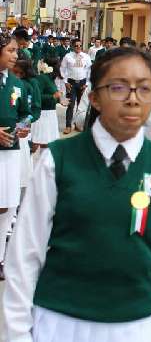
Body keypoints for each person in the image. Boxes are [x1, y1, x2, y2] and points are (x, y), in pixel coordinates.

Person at [3, 46, 151, 341]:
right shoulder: (59, 159)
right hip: (60, 320)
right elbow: (26, 251)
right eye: (118, 87)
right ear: (94, 98)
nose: (132, 98)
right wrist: (18, 332)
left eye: (144, 89)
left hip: (136, 323)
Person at [0, 36, 31, 280]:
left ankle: (0, 257)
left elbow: (25, 113)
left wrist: (23, 126)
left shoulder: (16, 84)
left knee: (6, 208)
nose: (15, 56)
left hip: (10, 153)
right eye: (10, 50)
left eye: (16, 51)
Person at [12, 54, 41, 195]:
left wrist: (21, 125)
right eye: (14, 72)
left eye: (20, 73)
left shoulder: (31, 84)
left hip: (21, 129)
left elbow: (35, 110)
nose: (17, 76)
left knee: (21, 169)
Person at [60, 39, 91, 135]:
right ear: (73, 46)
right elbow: (62, 69)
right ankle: (68, 126)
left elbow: (89, 70)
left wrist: (87, 83)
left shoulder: (86, 57)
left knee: (81, 106)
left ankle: (77, 124)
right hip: (71, 83)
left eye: (80, 45)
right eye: (76, 46)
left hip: (82, 84)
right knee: (71, 104)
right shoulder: (68, 56)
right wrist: (65, 82)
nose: (78, 47)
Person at [31, 57, 61, 151]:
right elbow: (37, 96)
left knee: (47, 145)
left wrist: (59, 100)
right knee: (35, 144)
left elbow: (53, 95)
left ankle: (42, 165)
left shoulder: (50, 79)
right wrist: (52, 97)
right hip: (42, 115)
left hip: (50, 115)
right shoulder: (42, 78)